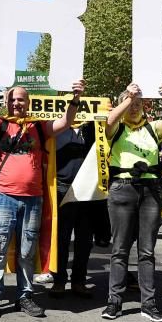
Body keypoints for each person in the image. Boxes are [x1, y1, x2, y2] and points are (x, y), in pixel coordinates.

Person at [0, 70, 83, 319]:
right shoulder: (0, 125)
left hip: (33, 200)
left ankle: (25, 296)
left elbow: (66, 122)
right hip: (3, 197)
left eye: (21, 99)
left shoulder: (39, 127)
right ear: (7, 102)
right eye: (12, 100)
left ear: (29, 103)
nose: (16, 103)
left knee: (27, 252)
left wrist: (75, 99)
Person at [101, 80, 162, 322]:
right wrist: (126, 99)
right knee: (120, 249)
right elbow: (110, 121)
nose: (133, 108)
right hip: (122, 189)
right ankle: (115, 301)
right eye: (128, 103)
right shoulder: (117, 128)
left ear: (144, 106)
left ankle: (149, 303)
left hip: (150, 190)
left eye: (136, 104)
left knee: (146, 250)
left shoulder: (153, 128)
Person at [46, 116, 100, 300]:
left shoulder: (93, 127)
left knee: (84, 240)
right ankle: (59, 280)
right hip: (62, 188)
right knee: (61, 238)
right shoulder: (57, 126)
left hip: (88, 191)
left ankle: (79, 281)